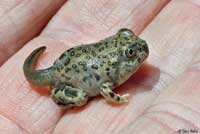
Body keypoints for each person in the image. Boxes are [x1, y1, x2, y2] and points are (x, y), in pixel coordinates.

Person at [0, 0, 199, 133]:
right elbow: (105, 88)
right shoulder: (113, 72)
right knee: (80, 98)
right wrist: (118, 99)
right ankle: (58, 90)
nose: (140, 49)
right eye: (131, 53)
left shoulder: (115, 66)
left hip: (71, 61)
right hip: (69, 73)